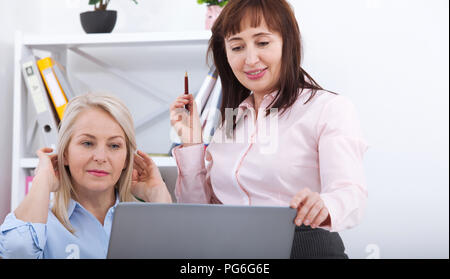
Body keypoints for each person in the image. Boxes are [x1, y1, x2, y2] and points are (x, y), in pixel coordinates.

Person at [170, 0, 368, 259]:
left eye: (262, 43)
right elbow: (197, 212)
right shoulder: (231, 119)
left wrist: (324, 205)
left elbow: (351, 193)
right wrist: (192, 144)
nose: (250, 59)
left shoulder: (328, 108)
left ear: (288, 42)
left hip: (304, 249)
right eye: (237, 47)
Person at [0, 93, 172, 259]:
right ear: (65, 153)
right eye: (87, 143)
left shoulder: (148, 223)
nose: (100, 157)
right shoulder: (41, 224)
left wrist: (158, 195)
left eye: (113, 145)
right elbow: (17, 252)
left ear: (127, 158)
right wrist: (42, 180)